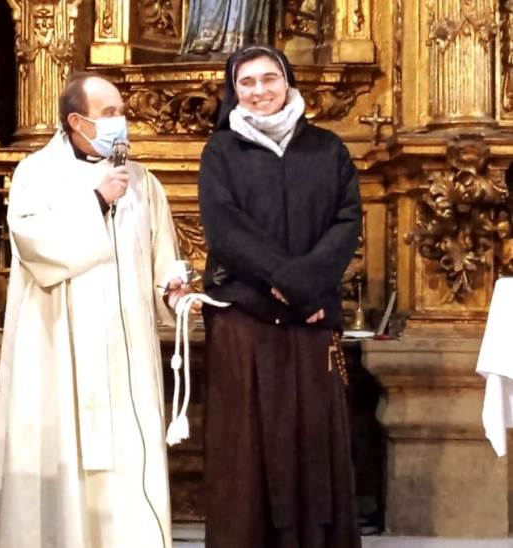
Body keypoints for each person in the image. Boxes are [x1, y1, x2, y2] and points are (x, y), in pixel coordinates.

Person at [0, 73, 190, 548]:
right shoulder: (36, 173)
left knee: (128, 461)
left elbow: (161, 255)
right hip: (59, 344)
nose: (122, 122)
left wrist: (172, 289)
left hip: (125, 353)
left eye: (122, 112)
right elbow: (34, 244)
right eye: (109, 113)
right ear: (76, 121)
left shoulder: (142, 181)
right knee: (62, 454)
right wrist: (97, 200)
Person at [198, 44, 362, 548]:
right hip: (247, 318)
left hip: (311, 318)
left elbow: (346, 222)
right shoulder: (221, 152)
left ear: (287, 83)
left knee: (313, 441)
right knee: (247, 447)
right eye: (246, 82)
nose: (259, 91)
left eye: (269, 79)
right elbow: (225, 230)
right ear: (234, 92)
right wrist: (293, 285)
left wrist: (304, 285)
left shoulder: (327, 148)